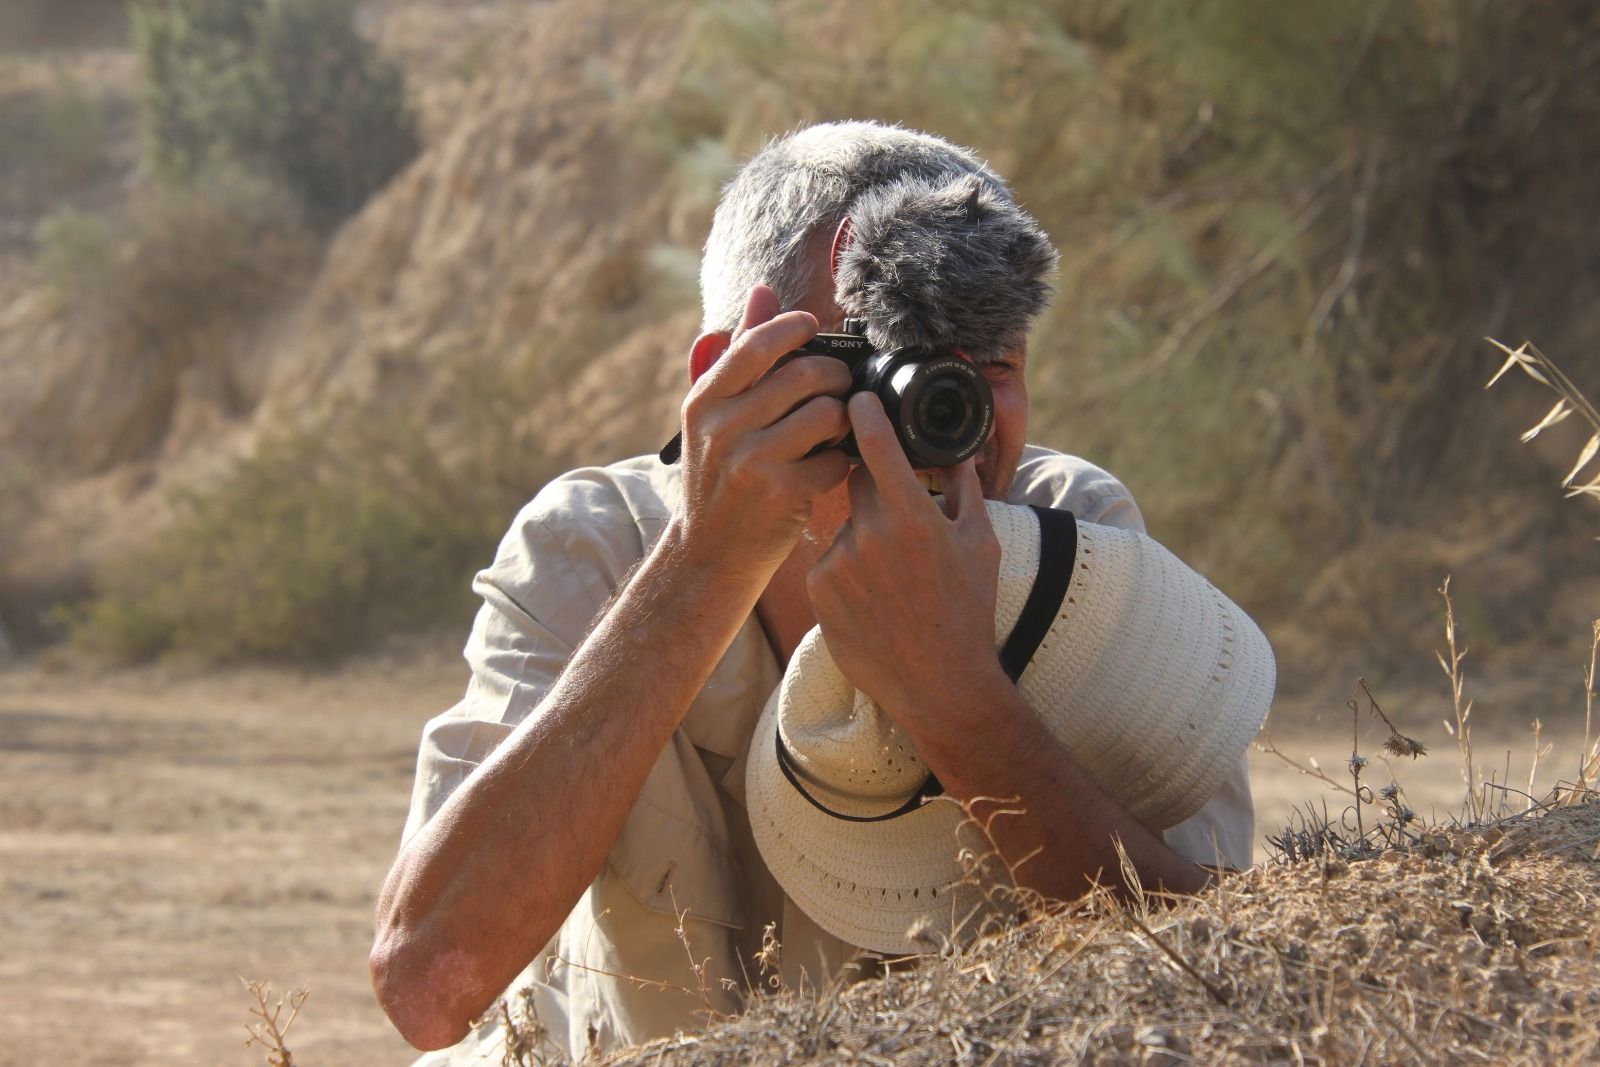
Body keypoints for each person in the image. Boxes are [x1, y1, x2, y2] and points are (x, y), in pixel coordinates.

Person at [370, 121, 1256, 1062]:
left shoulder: (1072, 547)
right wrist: (701, 568)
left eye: (988, 366)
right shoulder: (598, 544)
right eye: (889, 362)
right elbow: (428, 984)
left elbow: (1231, 988)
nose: (944, 412)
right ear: (727, 373)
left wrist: (959, 700)